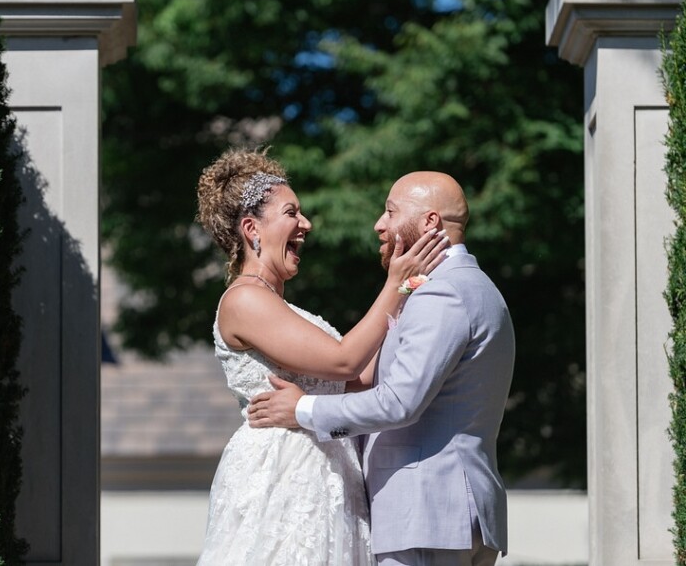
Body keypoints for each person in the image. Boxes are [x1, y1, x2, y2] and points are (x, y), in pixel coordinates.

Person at [247, 171, 516, 566]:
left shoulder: (443, 292)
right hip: (447, 514)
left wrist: (302, 409)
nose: (380, 224)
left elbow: (399, 403)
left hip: (428, 513)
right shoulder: (469, 286)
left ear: (430, 222)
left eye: (390, 211)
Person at [194, 149, 448, 566]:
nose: (306, 224)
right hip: (281, 477)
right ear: (251, 228)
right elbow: (345, 360)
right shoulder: (244, 300)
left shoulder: (286, 309)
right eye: (292, 212)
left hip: (326, 473)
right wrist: (397, 284)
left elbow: (359, 377)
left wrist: (418, 310)